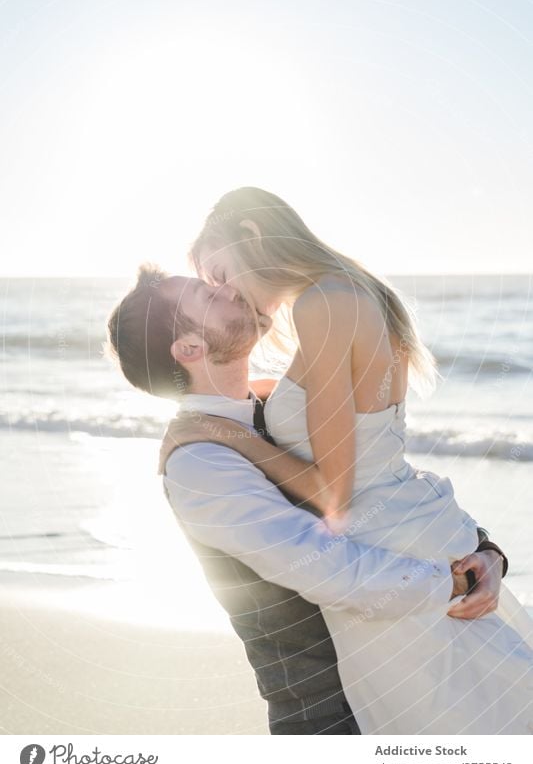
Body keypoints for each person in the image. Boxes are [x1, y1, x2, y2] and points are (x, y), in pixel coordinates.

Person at [164, 185, 533, 734]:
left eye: (220, 274)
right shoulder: (353, 292)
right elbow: (364, 440)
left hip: (386, 550)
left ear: (250, 237)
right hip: (410, 535)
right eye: (212, 289)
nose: (230, 293)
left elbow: (332, 493)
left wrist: (231, 434)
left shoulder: (323, 304)